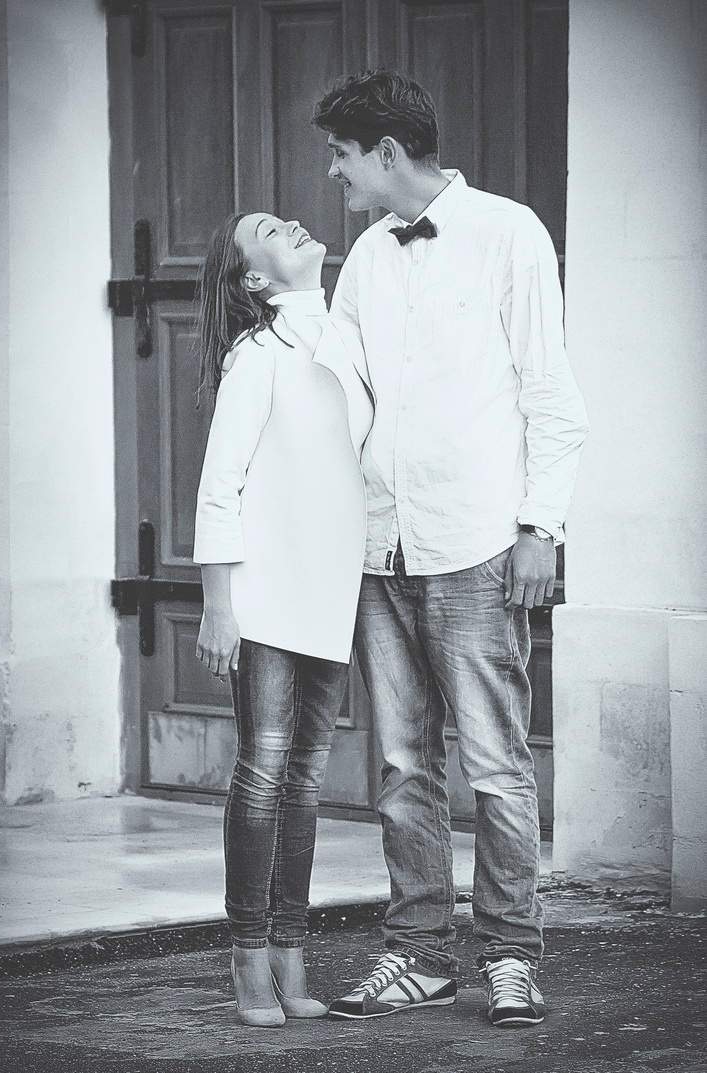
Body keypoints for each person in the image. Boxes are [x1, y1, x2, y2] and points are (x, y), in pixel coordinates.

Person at [312, 71, 589, 1027]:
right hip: (378, 544)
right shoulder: (363, 255)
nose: (334, 171)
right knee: (400, 763)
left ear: (386, 152)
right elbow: (338, 388)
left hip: (475, 541)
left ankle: (511, 956)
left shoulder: (509, 232)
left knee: (496, 764)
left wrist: (540, 526)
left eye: (342, 153)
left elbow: (549, 391)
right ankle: (420, 954)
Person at [193, 212, 373, 1027]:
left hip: (330, 592)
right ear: (255, 279)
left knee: (305, 777)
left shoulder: (344, 338)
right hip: (264, 595)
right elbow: (219, 484)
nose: (294, 222)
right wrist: (216, 604)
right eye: (269, 229)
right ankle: (247, 951)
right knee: (263, 769)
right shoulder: (257, 353)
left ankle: (291, 949)